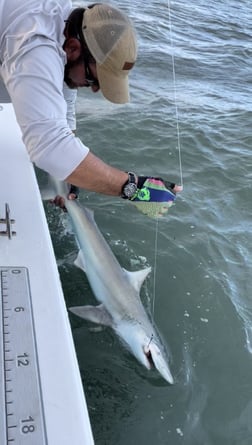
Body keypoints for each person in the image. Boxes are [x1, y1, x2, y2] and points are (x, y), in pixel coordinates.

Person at [0, 1, 182, 217]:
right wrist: (134, 188)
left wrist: (71, 173)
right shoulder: (36, 47)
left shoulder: (66, 26)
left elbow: (64, 104)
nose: (95, 89)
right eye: (92, 79)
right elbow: (49, 147)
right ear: (73, 48)